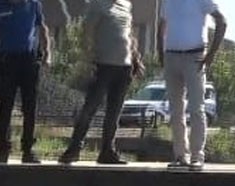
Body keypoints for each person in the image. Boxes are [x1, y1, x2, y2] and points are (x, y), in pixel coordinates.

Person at [60, 0, 144, 165]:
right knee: (90, 108)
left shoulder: (126, 5)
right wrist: (88, 60)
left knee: (114, 112)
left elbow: (129, 35)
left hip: (124, 67)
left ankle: (107, 151)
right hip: (103, 64)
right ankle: (74, 148)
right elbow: (87, 32)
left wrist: (136, 58)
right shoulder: (97, 4)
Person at [158, 0, 226, 171]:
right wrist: (161, 54)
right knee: (175, 110)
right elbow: (162, 26)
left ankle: (197, 156)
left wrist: (211, 54)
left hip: (194, 55)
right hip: (171, 56)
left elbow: (221, 21)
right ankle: (180, 155)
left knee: (196, 108)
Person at [0, 0, 51, 164]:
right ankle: (3, 148)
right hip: (7, 60)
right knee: (5, 105)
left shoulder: (33, 5)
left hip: (28, 60)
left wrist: (47, 53)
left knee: (29, 107)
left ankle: (28, 149)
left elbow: (42, 28)